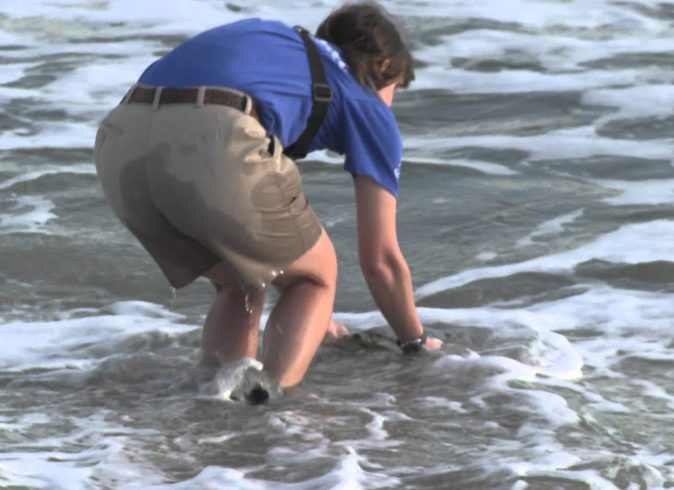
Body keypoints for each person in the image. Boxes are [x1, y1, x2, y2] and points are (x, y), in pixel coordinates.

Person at [93, 1, 442, 391]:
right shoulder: (366, 103)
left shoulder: (276, 42)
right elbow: (381, 262)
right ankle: (270, 411)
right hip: (215, 132)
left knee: (243, 279)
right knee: (316, 276)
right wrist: (414, 341)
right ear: (384, 69)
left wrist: (308, 317)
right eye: (398, 88)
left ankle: (217, 400)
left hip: (119, 142)